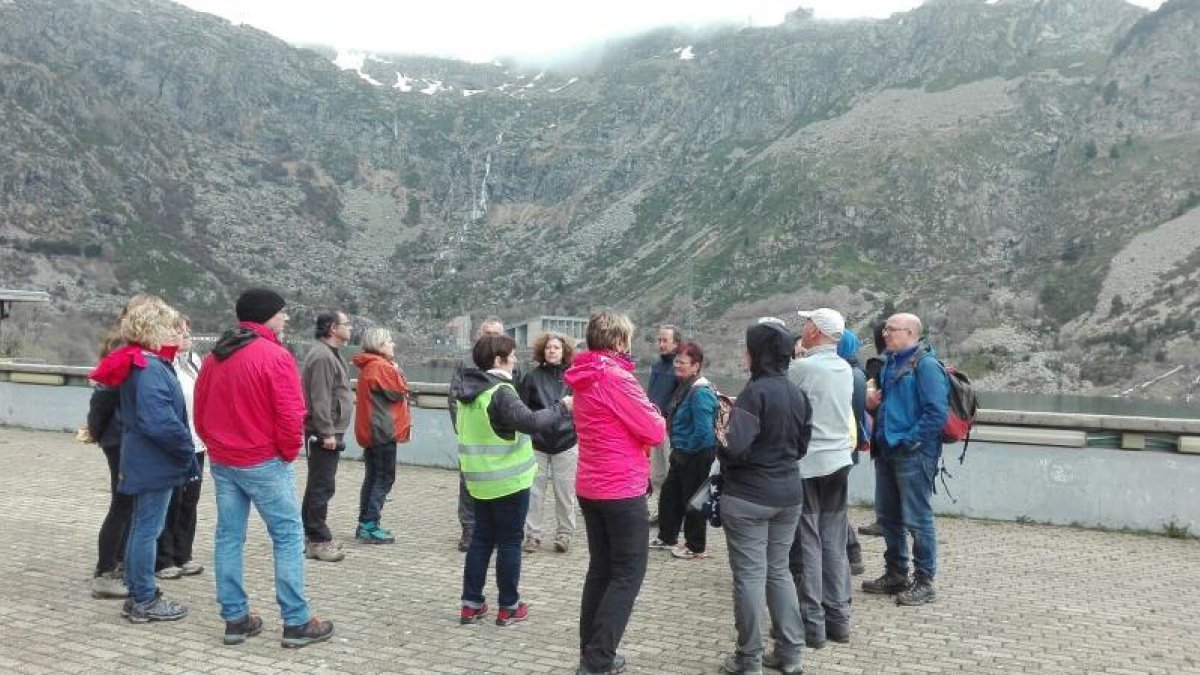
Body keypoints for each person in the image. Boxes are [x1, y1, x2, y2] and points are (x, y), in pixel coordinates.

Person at [195, 288, 334, 648]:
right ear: (267, 315)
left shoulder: (215, 357)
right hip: (264, 461)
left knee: (229, 537)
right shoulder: (274, 355)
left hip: (225, 461)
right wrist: (288, 453)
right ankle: (296, 621)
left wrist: (216, 445)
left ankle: (235, 619)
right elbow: (291, 414)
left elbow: (199, 411)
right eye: (282, 312)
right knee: (288, 537)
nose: (286, 318)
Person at [565, 311, 666, 675]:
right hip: (621, 487)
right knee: (628, 572)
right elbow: (654, 430)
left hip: (591, 484)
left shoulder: (584, 376)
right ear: (620, 341)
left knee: (602, 570)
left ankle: (590, 651)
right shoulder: (616, 378)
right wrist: (655, 412)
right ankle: (598, 660)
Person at [89, 296, 198, 624]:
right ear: (154, 330)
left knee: (142, 527)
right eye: (171, 327)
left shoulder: (143, 362)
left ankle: (140, 594)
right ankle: (144, 599)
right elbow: (159, 421)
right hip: (154, 459)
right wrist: (186, 449)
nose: (177, 332)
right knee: (147, 529)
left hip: (146, 457)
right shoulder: (150, 367)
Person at [456, 334, 572, 627]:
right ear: (499, 360)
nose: (516, 359)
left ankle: (471, 604)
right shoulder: (501, 391)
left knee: (481, 540)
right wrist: (563, 407)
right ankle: (509, 606)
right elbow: (530, 422)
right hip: (508, 481)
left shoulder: (470, 392)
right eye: (511, 355)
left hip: (479, 480)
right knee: (509, 542)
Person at [718, 318, 810, 675]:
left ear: (759, 354)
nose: (744, 354)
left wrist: (721, 428)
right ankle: (790, 655)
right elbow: (802, 446)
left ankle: (749, 659)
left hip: (748, 498)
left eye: (748, 348)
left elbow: (734, 448)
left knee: (750, 578)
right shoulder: (797, 393)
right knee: (779, 572)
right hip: (789, 494)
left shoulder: (753, 394)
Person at [863, 313, 950, 606]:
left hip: (912, 453)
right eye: (886, 328)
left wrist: (910, 439)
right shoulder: (890, 362)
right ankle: (896, 573)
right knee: (889, 516)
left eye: (891, 329)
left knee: (917, 518)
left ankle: (925, 581)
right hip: (887, 449)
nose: (885, 333)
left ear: (911, 333)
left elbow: (936, 412)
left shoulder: (925, 365)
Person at [788, 308, 854, 648]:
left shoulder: (801, 368)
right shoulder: (845, 368)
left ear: (816, 331)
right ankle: (839, 619)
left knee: (810, 541)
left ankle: (811, 624)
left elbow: (786, 404)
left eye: (807, 322)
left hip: (810, 464)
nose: (803, 326)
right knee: (834, 540)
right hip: (840, 460)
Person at [87, 295, 152, 600]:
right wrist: (97, 431)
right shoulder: (123, 349)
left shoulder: (129, 347)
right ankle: (105, 571)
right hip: (119, 436)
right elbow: (103, 395)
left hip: (121, 435)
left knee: (129, 502)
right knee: (123, 502)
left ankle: (121, 564)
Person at [652, 341, 718, 560]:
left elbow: (704, 432)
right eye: (676, 361)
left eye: (682, 362)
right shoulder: (686, 386)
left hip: (696, 455)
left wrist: (685, 451)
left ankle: (696, 546)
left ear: (696, 365)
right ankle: (667, 536)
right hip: (682, 452)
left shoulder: (700, 392)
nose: (677, 366)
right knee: (670, 495)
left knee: (695, 501)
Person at [155, 315, 207, 580]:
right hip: (175, 443)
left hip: (197, 443)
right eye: (179, 331)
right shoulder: (162, 364)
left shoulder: (194, 362)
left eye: (187, 331)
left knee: (190, 500)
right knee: (171, 501)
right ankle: (163, 558)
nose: (185, 336)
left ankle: (183, 553)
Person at [300, 310, 354, 562]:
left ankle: (311, 534)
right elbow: (319, 397)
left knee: (320, 484)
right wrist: (326, 432)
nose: (350, 327)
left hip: (330, 428)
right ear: (332, 328)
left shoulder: (331, 354)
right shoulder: (322, 356)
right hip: (324, 432)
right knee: (322, 485)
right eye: (346, 324)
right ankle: (317, 539)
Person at [449, 317, 506, 551]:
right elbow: (454, 399)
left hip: (500, 439)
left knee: (501, 485)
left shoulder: (510, 364)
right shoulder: (466, 363)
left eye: (497, 334)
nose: (492, 338)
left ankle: (495, 530)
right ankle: (469, 529)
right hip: (473, 438)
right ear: (479, 335)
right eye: (488, 333)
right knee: (469, 484)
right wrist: (463, 430)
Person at [351, 327, 411, 544]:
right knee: (384, 477)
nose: (393, 344)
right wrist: (397, 370)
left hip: (372, 430)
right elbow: (399, 390)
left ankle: (364, 523)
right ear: (379, 345)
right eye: (389, 341)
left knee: (373, 477)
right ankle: (370, 525)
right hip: (382, 431)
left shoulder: (369, 366)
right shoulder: (381, 367)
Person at [519, 332, 578, 554]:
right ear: (542, 351)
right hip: (537, 443)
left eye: (556, 347)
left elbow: (582, 408)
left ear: (564, 352)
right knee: (534, 492)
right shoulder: (531, 377)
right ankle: (532, 536)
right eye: (549, 347)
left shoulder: (574, 377)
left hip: (567, 442)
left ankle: (564, 534)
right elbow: (523, 410)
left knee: (565, 492)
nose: (552, 351)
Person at [837, 328, 868, 576]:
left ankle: (851, 552)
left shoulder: (846, 374)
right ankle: (850, 552)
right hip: (848, 449)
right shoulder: (857, 373)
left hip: (839, 449)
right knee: (834, 504)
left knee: (832, 505)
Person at [645, 325, 680, 523]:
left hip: (670, 427)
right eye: (659, 340)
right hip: (654, 425)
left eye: (665, 340)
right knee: (657, 474)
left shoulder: (680, 365)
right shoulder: (657, 366)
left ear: (676, 343)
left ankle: (675, 516)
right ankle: (660, 511)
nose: (661, 344)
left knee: (670, 473)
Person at [858, 322, 888, 538]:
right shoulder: (918, 361)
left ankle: (884, 521)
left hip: (885, 430)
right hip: (909, 435)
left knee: (885, 476)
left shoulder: (877, 363)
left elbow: (871, 396)